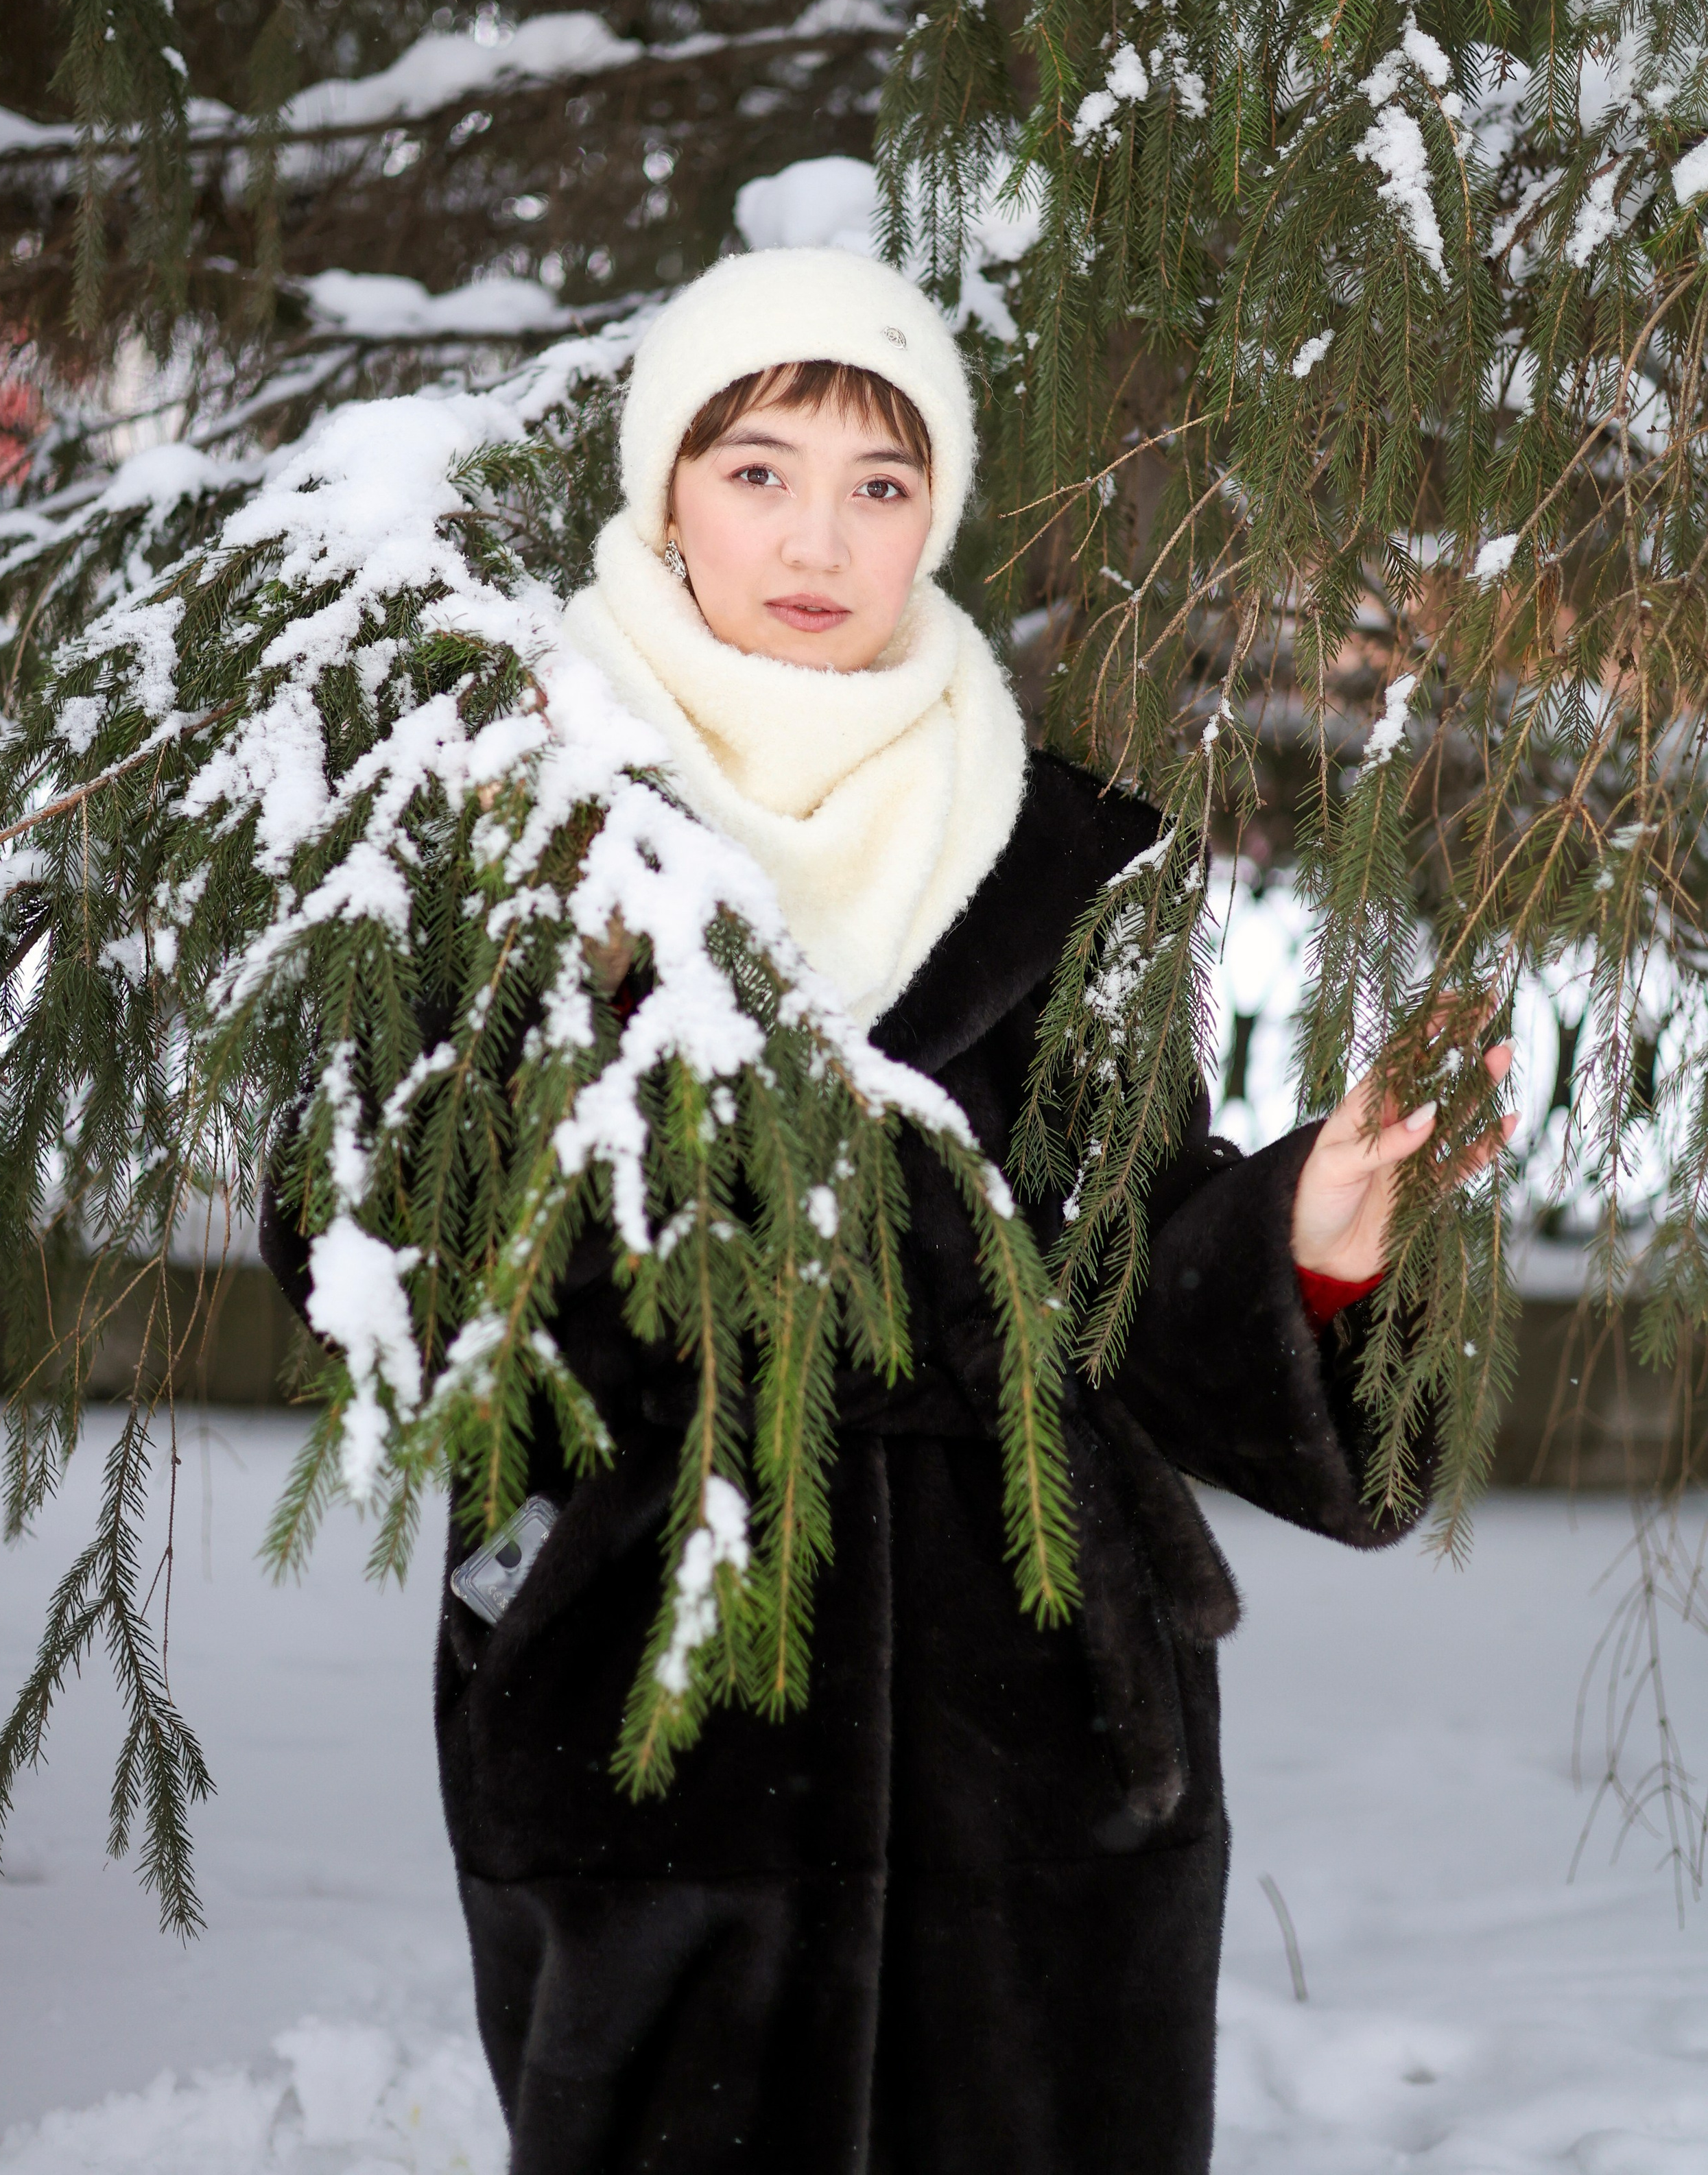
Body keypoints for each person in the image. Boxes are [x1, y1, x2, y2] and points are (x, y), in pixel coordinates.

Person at [263, 245, 1515, 2175]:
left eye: (881, 481)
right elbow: (354, 1244)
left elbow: (1118, 1276)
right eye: (756, 468)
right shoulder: (518, 818)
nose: (817, 537)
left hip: (1038, 1750)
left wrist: (1312, 1226)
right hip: (654, 1699)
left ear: (935, 512)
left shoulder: (1058, 851)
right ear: (663, 488)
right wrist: (575, 1046)